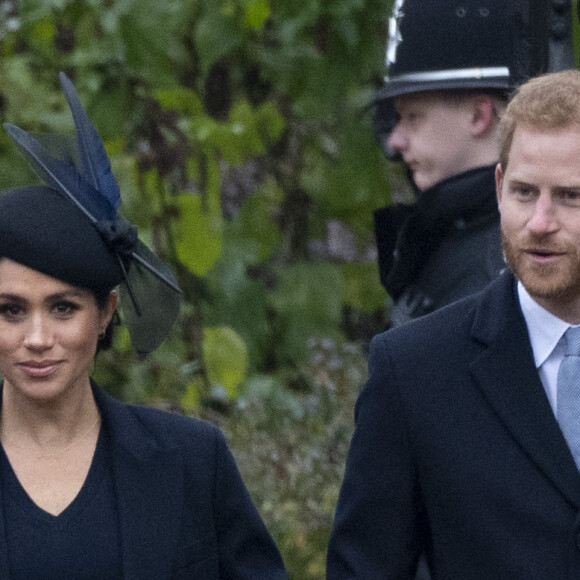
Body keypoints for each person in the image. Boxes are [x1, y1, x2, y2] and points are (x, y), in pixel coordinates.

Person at [0, 72, 287, 579]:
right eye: (11, 310)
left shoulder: (191, 460)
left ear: (108, 310)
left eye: (63, 308)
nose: (37, 339)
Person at [327, 69, 580, 578]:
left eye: (571, 196)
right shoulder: (414, 370)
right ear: (498, 185)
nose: (540, 222)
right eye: (525, 192)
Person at [372, 0, 543, 327]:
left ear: (478, 115)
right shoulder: (458, 237)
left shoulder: (510, 272)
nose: (395, 140)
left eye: (413, 117)